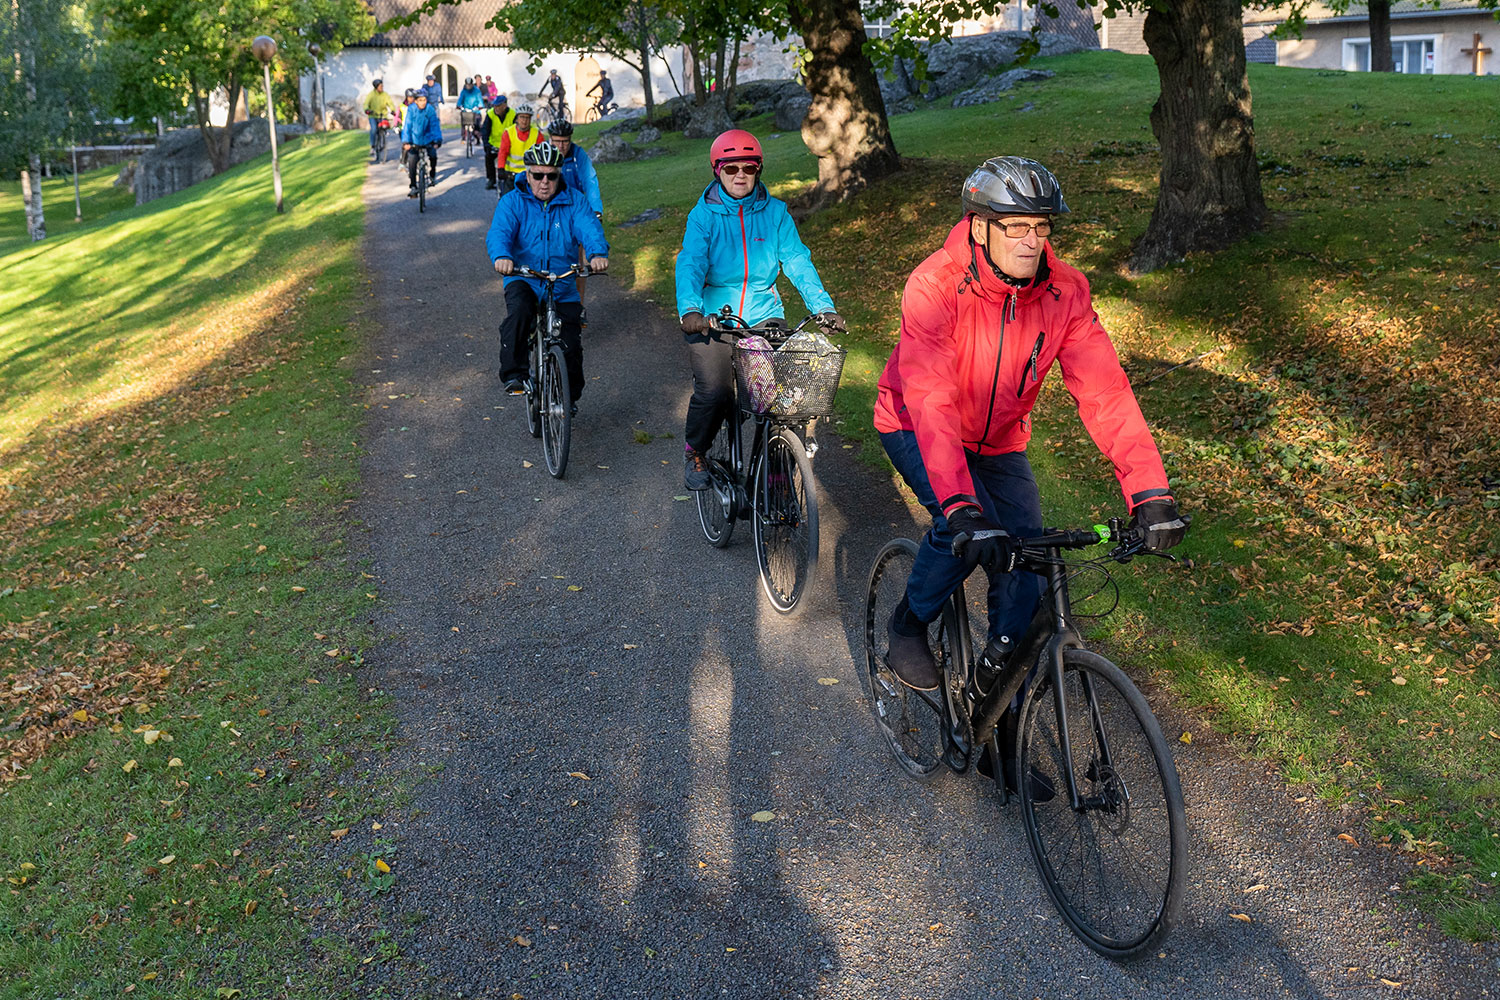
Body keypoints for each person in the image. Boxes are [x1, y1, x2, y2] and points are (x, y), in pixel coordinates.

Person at [875, 156, 1188, 705]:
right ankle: (906, 626)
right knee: (961, 533)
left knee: (1028, 565)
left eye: (1042, 228)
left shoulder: (1065, 292)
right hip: (914, 423)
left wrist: (1150, 491)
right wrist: (961, 505)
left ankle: (999, 713)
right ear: (979, 225)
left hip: (998, 441)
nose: (1032, 241)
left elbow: (1105, 391)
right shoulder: (935, 285)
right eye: (1016, 227)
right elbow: (930, 398)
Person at [673, 129, 842, 491]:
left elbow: (797, 261)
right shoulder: (703, 216)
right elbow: (690, 264)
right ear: (717, 171)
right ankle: (696, 451)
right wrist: (690, 310)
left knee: (787, 396)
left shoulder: (776, 213)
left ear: (758, 170)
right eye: (730, 168)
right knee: (716, 391)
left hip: (764, 313)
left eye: (747, 168)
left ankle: (779, 469)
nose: (739, 175)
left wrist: (823, 307)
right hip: (714, 318)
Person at [487, 142, 610, 410]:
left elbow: (590, 229)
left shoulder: (574, 200)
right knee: (519, 314)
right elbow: (499, 233)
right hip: (525, 277)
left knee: (571, 344)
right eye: (538, 175)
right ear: (527, 174)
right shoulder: (513, 201)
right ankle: (515, 375)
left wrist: (597, 253)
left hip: (562, 281)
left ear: (559, 175)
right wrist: (502, 257)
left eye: (551, 176)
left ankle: (568, 398)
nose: (545, 182)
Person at [542, 119, 603, 296]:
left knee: (577, 265)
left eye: (565, 141)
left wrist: (596, 210)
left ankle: (578, 307)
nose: (561, 146)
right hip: (548, 213)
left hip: (573, 214)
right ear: (549, 139)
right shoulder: (543, 154)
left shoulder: (578, 156)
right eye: (557, 141)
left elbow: (590, 182)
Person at [401, 90, 443, 197]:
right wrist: (406, 141)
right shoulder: (411, 110)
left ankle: (432, 175)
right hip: (415, 140)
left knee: (433, 155)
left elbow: (435, 125)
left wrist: (437, 140)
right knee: (412, 161)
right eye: (420, 100)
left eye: (424, 100)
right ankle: (413, 186)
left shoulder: (430, 109)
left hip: (428, 139)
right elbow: (407, 126)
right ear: (415, 101)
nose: (423, 102)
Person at [495, 104, 539, 192]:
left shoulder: (537, 134)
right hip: (511, 175)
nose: (524, 120)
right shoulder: (509, 132)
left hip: (529, 176)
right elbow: (503, 153)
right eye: (522, 117)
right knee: (507, 202)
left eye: (527, 118)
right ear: (517, 118)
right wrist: (500, 168)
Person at [478, 95, 516, 190]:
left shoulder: (513, 114)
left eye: (498, 106)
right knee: (488, 157)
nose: (496, 108)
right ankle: (491, 179)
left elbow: (517, 130)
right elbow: (485, 131)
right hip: (494, 143)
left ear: (504, 106)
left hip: (508, 145)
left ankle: (512, 178)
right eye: (495, 106)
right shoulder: (490, 114)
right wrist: (486, 145)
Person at [362, 79, 398, 156]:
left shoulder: (385, 94)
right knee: (374, 129)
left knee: (385, 126)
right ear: (376, 87)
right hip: (373, 115)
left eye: (382, 86)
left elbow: (390, 103)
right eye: (380, 86)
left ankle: (383, 137)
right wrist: (367, 110)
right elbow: (366, 103)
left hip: (382, 115)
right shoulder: (371, 95)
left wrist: (392, 110)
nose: (382, 87)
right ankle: (373, 146)